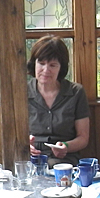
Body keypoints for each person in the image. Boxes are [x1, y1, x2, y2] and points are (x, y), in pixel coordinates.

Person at [28, 35, 90, 167]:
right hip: (29, 160)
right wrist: (25, 145)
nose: (46, 70)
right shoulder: (21, 93)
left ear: (61, 68)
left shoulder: (76, 92)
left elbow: (83, 138)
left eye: (53, 65)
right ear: (34, 64)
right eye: (41, 63)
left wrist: (66, 146)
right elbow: (12, 134)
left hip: (64, 160)